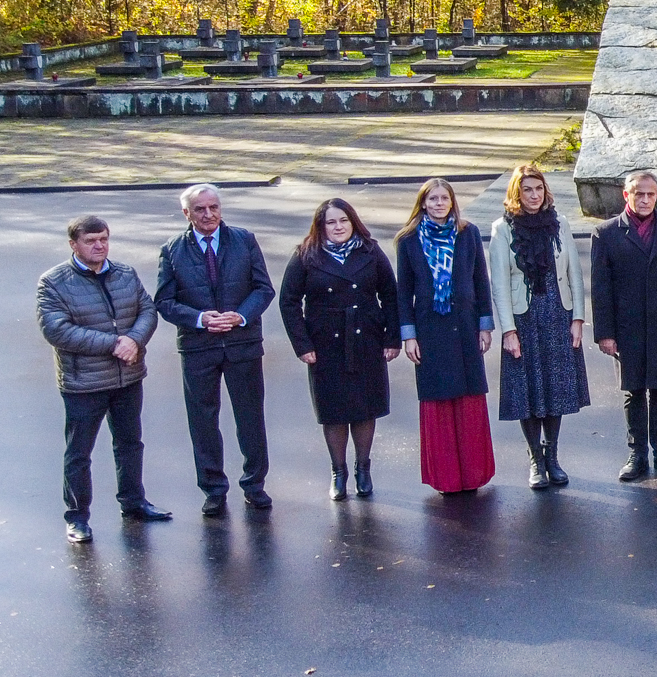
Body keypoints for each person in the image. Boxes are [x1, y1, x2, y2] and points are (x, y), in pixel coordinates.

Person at [39, 216, 165, 544]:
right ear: (73, 244)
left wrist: (135, 340)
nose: (99, 246)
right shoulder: (53, 282)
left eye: (104, 239)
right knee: (80, 452)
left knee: (130, 444)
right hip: (84, 384)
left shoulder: (125, 273)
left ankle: (134, 503)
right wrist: (115, 344)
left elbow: (147, 311)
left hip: (128, 378)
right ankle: (77, 517)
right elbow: (57, 330)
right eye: (91, 241)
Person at [154, 184, 278, 514]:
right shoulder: (171, 250)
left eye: (213, 207)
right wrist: (198, 318)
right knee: (203, 420)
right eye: (200, 210)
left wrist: (241, 315)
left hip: (243, 343)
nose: (208, 214)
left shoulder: (244, 239)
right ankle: (213, 489)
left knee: (250, 416)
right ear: (187, 214)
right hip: (198, 348)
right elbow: (164, 302)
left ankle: (254, 484)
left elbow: (264, 289)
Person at [279, 198, 400, 500]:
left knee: (364, 407)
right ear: (321, 226)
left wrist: (391, 338)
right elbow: (289, 302)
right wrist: (302, 344)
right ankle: (338, 470)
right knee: (333, 411)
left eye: (343, 220)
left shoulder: (370, 251)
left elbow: (391, 294)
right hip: (325, 344)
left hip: (366, 338)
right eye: (331, 222)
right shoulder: (306, 255)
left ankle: (363, 467)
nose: (338, 227)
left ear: (353, 221)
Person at [590, 169, 657, 480]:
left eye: (651, 194)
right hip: (628, 328)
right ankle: (636, 454)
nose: (645, 199)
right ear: (627, 195)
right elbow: (601, 288)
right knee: (634, 391)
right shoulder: (607, 233)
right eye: (639, 194)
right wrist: (605, 334)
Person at [489, 165, 591, 490]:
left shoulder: (559, 223)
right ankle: (535, 458)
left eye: (538, 189)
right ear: (516, 193)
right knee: (528, 390)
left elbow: (575, 273)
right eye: (527, 189)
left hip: (557, 313)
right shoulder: (502, 229)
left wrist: (577, 319)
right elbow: (500, 285)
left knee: (556, 386)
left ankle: (553, 456)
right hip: (523, 317)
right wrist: (508, 330)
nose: (534, 195)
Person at [396, 178, 496, 494]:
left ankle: (473, 474)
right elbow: (403, 292)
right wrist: (408, 335)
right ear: (423, 203)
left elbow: (481, 281)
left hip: (465, 326)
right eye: (433, 199)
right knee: (439, 399)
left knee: (467, 399)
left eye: (445, 198)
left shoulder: (468, 234)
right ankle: (446, 478)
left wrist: (485, 325)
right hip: (429, 329)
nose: (439, 203)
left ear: (452, 202)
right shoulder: (409, 240)